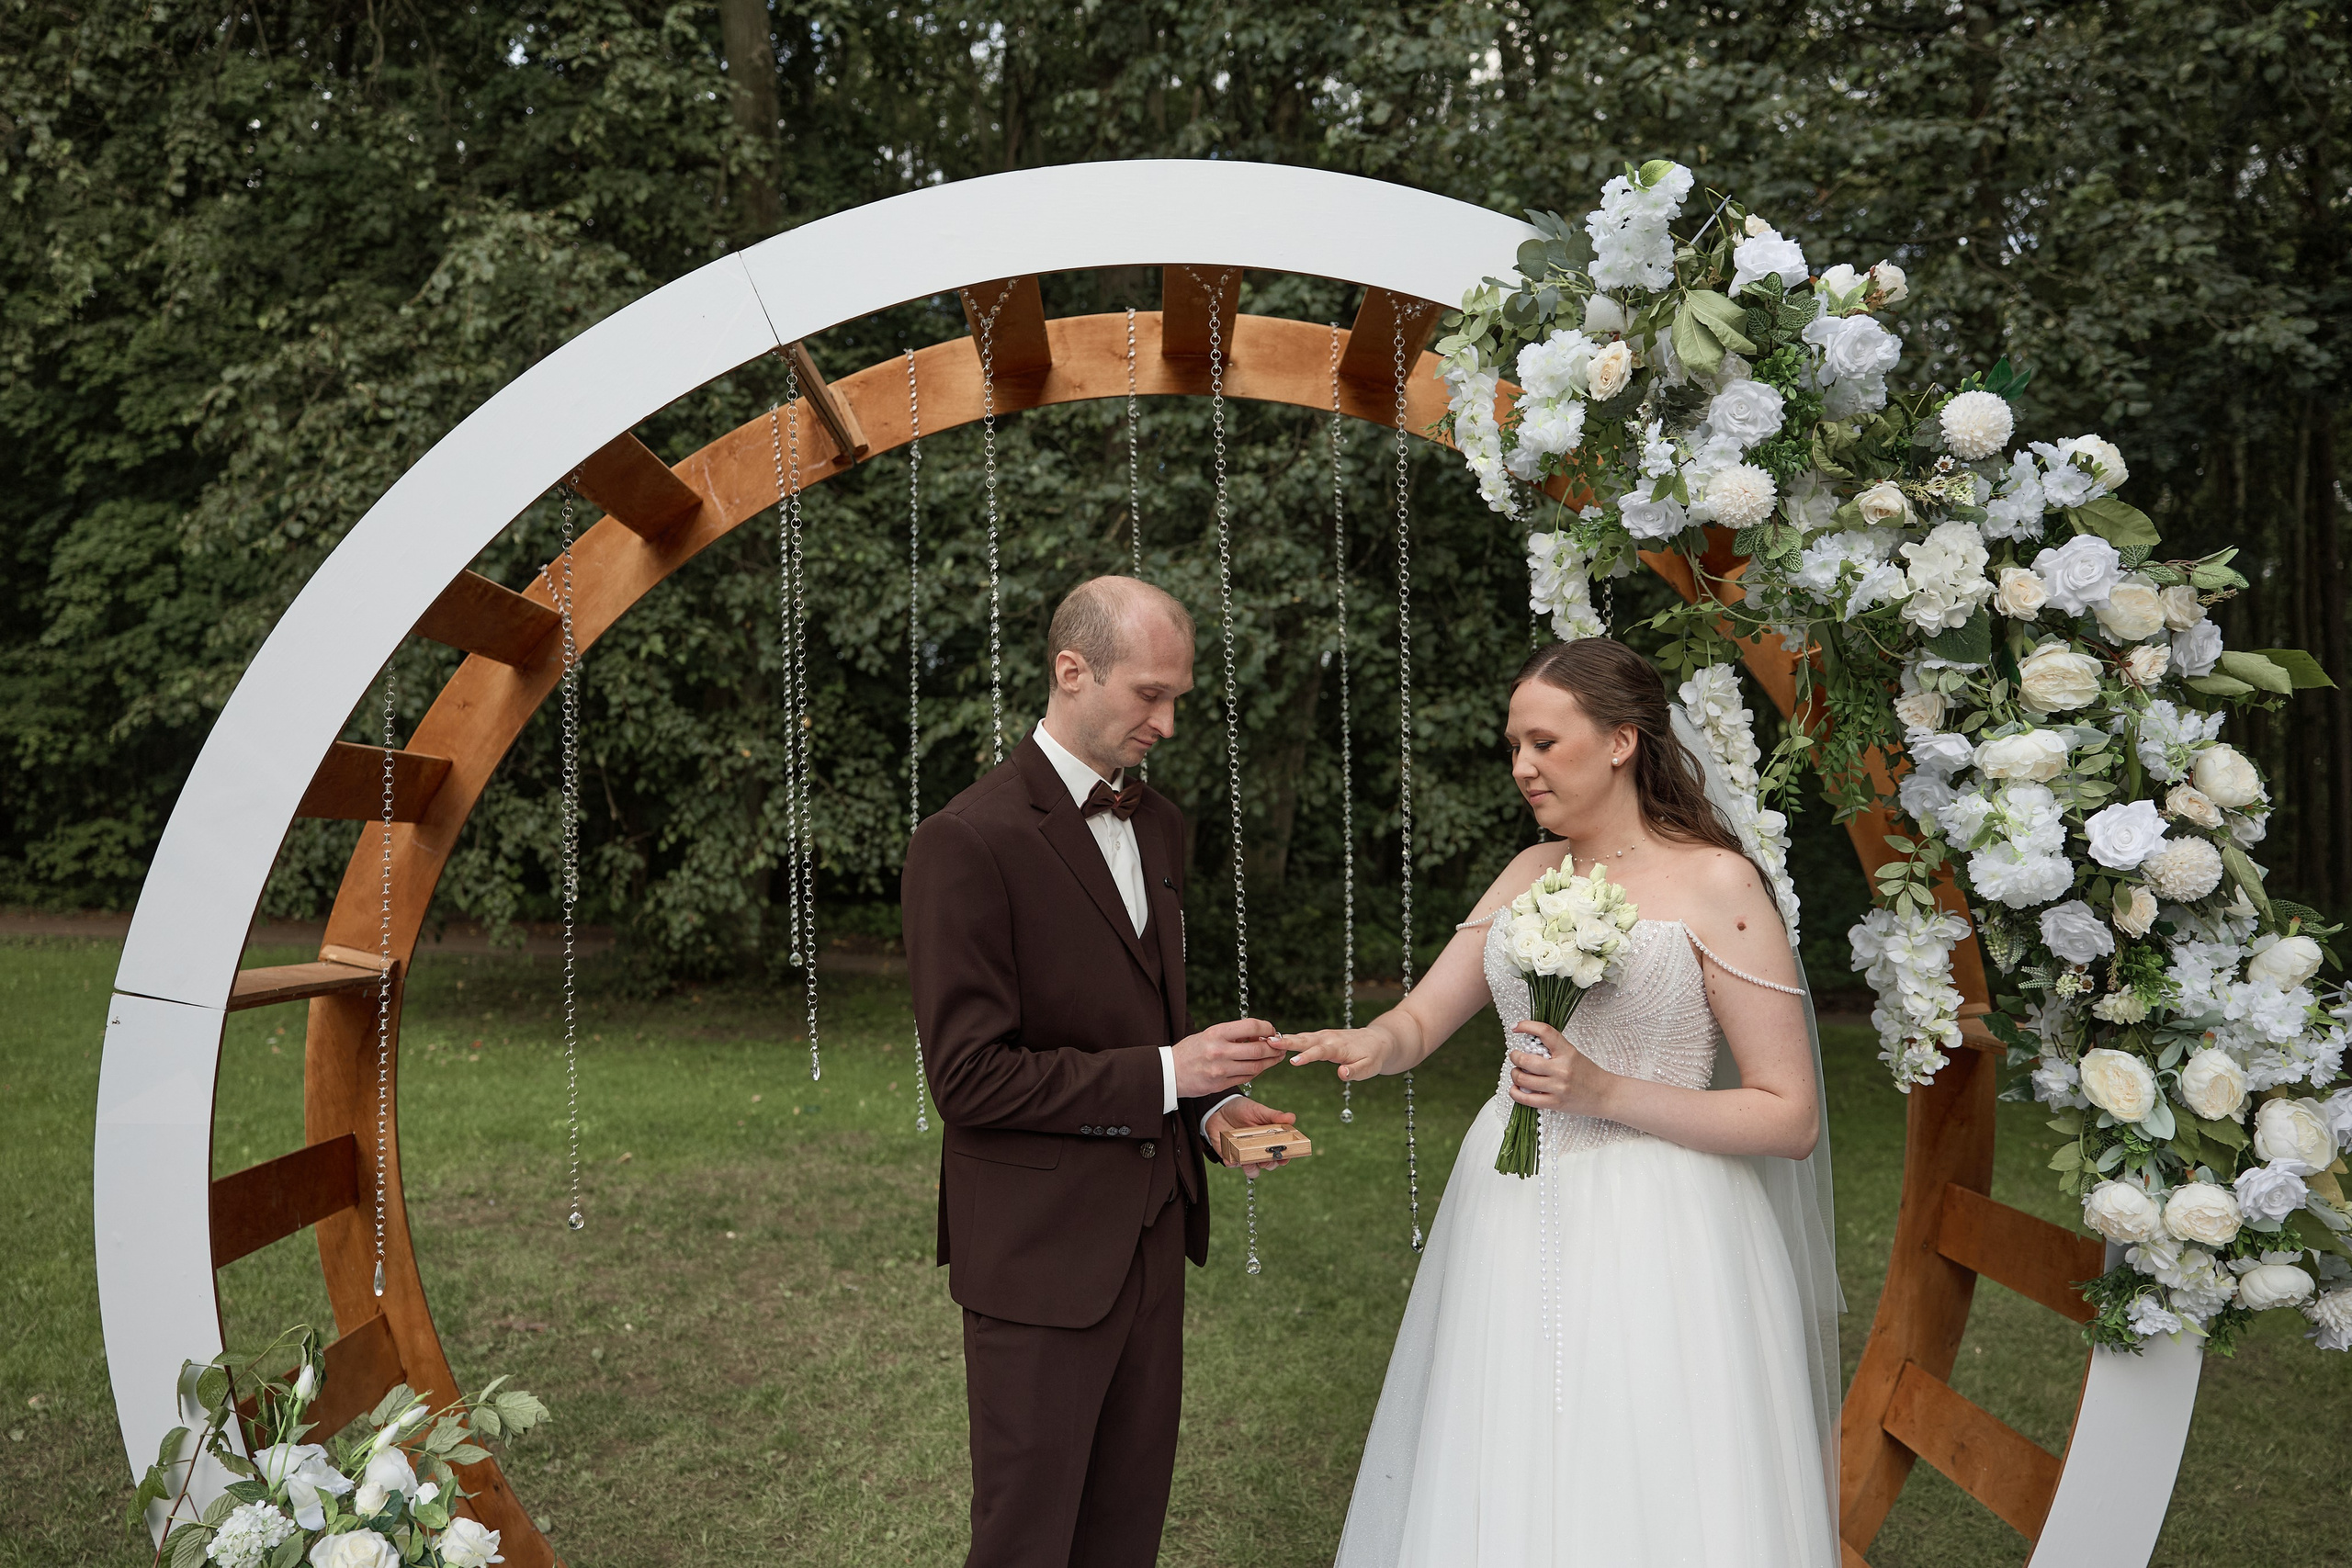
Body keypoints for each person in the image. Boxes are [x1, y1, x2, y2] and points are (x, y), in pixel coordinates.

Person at [1285, 637, 1840, 1567]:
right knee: (1503, 1454)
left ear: (1621, 741)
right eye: (1514, 746)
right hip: (1508, 1212)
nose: (1521, 767)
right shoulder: (1528, 872)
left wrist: (1605, 1090)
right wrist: (1370, 1043)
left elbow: (1789, 1116)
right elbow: (1421, 1021)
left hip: (1660, 1231)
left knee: (1639, 1465)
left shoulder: (1718, 883)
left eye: (1543, 742)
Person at [903, 575, 1300, 1568]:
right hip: (1038, 1257)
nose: (1167, 722)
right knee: (1027, 1541)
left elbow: (1141, 1019)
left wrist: (1210, 1104)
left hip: (1150, 1235)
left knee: (1125, 1531)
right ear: (1069, 671)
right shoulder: (964, 842)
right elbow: (969, 1080)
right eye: (1149, 696)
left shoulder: (1160, 826)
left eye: (1179, 699)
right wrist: (1170, 1074)